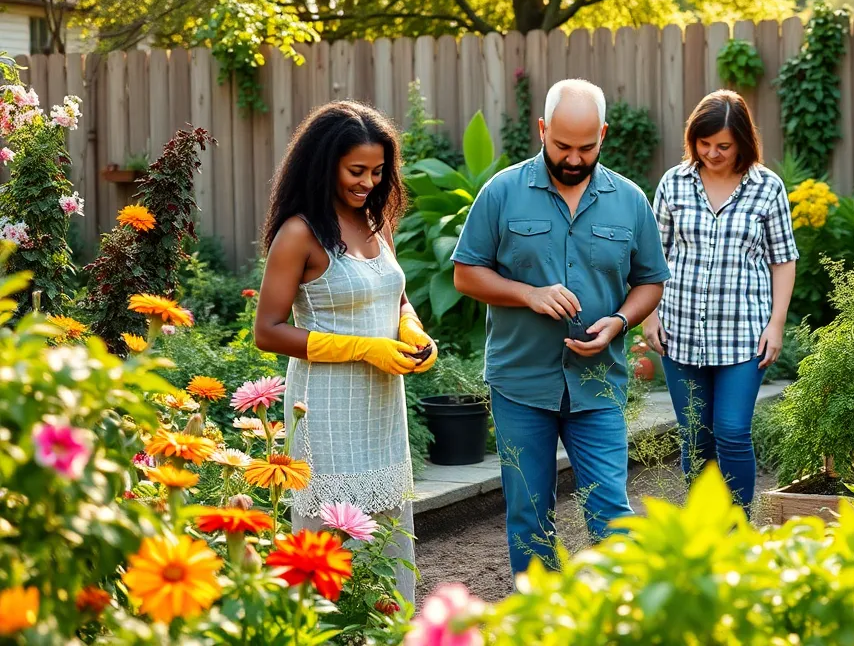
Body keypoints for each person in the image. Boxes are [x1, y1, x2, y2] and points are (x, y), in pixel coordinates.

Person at [452, 79, 669, 577]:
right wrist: (527, 294)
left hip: (599, 384)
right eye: (562, 145)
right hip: (520, 382)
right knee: (528, 515)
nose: (573, 159)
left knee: (611, 513)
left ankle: (622, 612)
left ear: (603, 135)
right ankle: (539, 614)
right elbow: (466, 274)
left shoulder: (630, 200)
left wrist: (620, 322)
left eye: (586, 148)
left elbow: (650, 282)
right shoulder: (501, 192)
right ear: (542, 129)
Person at [254, 101, 435, 604]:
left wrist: (412, 328)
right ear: (325, 163)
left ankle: (392, 628)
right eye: (357, 171)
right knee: (329, 542)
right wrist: (361, 348)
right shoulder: (300, 234)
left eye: (377, 172)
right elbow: (267, 331)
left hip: (382, 407)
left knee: (387, 534)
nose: (369, 183)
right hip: (326, 408)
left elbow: (396, 296)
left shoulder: (377, 223)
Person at [642, 90, 798, 509]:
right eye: (704, 143)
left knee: (731, 431)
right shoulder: (674, 184)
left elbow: (783, 261)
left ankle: (738, 525)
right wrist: (649, 315)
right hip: (680, 331)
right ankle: (705, 527)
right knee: (695, 435)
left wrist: (776, 324)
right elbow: (653, 256)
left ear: (743, 142)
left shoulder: (767, 188)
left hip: (743, 334)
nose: (712, 153)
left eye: (723, 146)